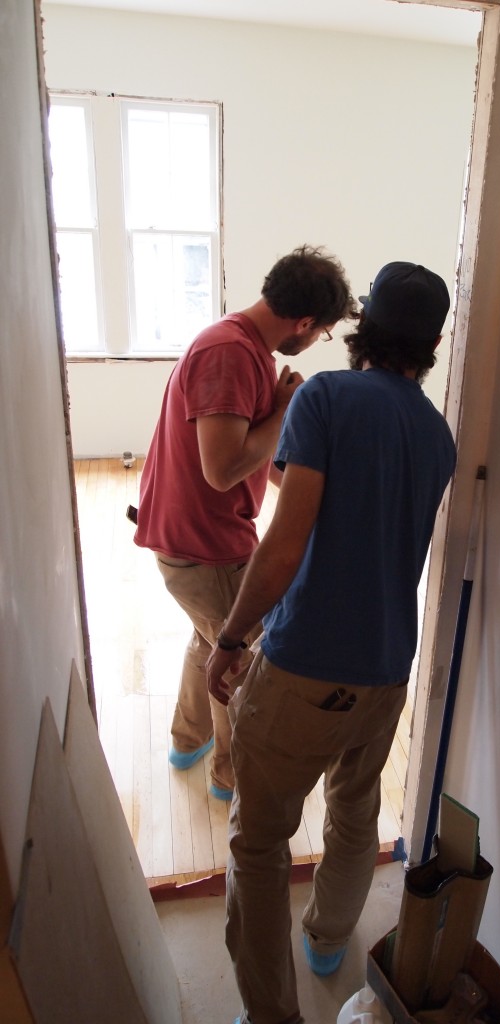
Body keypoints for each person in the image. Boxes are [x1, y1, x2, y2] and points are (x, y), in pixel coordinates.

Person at [206, 261, 457, 1024]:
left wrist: (229, 636)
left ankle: (271, 1014)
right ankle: (327, 939)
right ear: (432, 344)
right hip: (386, 671)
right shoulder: (438, 436)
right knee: (355, 812)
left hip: (306, 667)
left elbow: (282, 548)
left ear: (363, 329)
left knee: (258, 845)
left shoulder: (325, 397)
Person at [133, 245, 355, 801]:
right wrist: (285, 411)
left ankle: (188, 741)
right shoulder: (230, 355)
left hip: (195, 538)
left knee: (209, 637)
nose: (314, 340)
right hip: (204, 546)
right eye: (321, 332)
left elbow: (253, 455)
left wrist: (310, 488)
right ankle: (233, 779)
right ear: (304, 323)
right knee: (244, 665)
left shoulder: (244, 348)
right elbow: (223, 468)